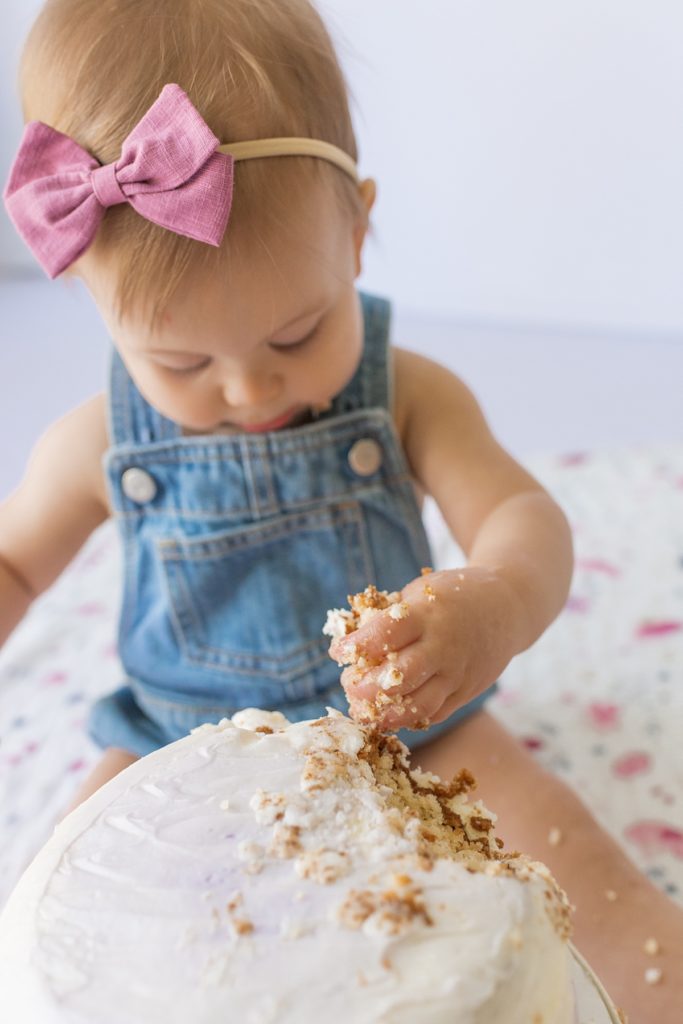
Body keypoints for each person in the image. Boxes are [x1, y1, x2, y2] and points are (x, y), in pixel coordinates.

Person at [1, 1, 680, 1018]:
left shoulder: (405, 394)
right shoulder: (98, 442)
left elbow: (521, 518)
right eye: (180, 361)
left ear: (357, 231)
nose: (246, 391)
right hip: (175, 751)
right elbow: (15, 567)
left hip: (415, 736)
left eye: (297, 331)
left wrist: (491, 601)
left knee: (593, 892)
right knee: (56, 941)